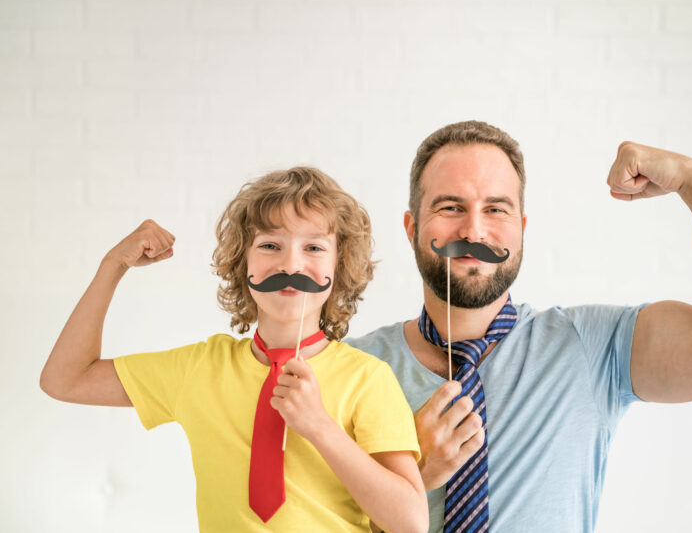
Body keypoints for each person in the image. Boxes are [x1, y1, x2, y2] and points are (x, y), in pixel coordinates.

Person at [347, 120, 692, 532]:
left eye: (496, 209)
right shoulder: (349, 370)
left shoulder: (592, 346)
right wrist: (412, 478)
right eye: (450, 208)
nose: (474, 231)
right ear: (411, 228)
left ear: (522, 228)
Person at [40, 167, 429, 533]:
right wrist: (113, 266)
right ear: (241, 260)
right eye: (270, 245)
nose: (290, 263)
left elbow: (410, 521)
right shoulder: (200, 368)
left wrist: (319, 426)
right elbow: (66, 379)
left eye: (313, 247)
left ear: (340, 265)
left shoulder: (368, 379)